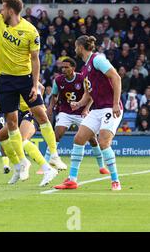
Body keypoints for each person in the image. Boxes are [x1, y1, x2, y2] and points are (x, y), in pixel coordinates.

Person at [0, 0, 64, 182]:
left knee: (41, 114)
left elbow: (35, 60)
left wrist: (35, 84)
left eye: (3, 8)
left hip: (25, 78)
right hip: (6, 80)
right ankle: (22, 163)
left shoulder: (30, 31)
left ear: (11, 11)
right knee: (11, 122)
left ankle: (54, 155)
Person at [54, 35, 123, 191]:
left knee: (104, 143)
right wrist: (79, 104)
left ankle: (115, 180)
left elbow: (116, 78)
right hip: (97, 109)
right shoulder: (85, 68)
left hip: (109, 107)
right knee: (79, 139)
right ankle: (72, 179)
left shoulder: (97, 60)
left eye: (75, 46)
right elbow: (89, 93)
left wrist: (115, 103)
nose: (74, 48)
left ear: (80, 47)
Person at [47, 58, 109, 175]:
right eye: (62, 67)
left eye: (66, 67)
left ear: (73, 68)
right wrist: (50, 107)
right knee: (57, 134)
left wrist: (86, 109)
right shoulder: (58, 80)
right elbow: (54, 96)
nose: (64, 69)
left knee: (92, 139)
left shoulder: (82, 78)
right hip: (65, 111)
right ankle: (46, 164)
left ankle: (101, 166)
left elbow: (90, 96)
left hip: (81, 112)